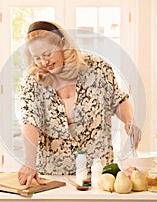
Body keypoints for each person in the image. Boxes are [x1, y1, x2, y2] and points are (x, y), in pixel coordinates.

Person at [16, 21, 141, 188]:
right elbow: (30, 121)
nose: (43, 62)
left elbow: (118, 100)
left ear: (62, 44)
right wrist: (29, 161)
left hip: (101, 175)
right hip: (53, 177)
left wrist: (129, 122)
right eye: (37, 58)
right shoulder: (33, 81)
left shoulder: (98, 68)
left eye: (47, 54)